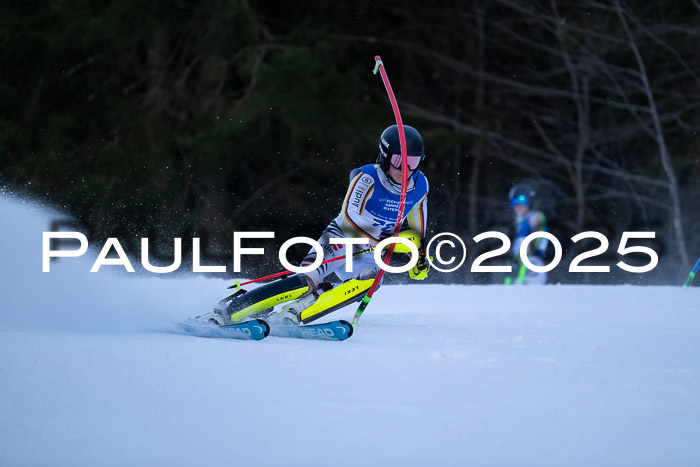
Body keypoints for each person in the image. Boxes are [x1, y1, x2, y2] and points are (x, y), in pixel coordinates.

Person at [212, 124, 431, 325]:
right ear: (384, 157)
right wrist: (384, 240)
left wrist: (419, 254)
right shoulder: (367, 178)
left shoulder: (420, 185)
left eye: (412, 162)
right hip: (341, 239)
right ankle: (229, 311)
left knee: (369, 282)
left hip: (370, 252)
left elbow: (418, 220)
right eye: (398, 161)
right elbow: (350, 216)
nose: (405, 169)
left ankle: (295, 313)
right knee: (307, 280)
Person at [506, 183, 548, 285]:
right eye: (514, 202)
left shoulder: (535, 216)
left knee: (529, 291)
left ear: (530, 202)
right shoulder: (519, 220)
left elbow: (540, 237)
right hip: (519, 263)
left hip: (532, 262)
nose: (518, 205)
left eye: (522, 201)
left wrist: (530, 256)